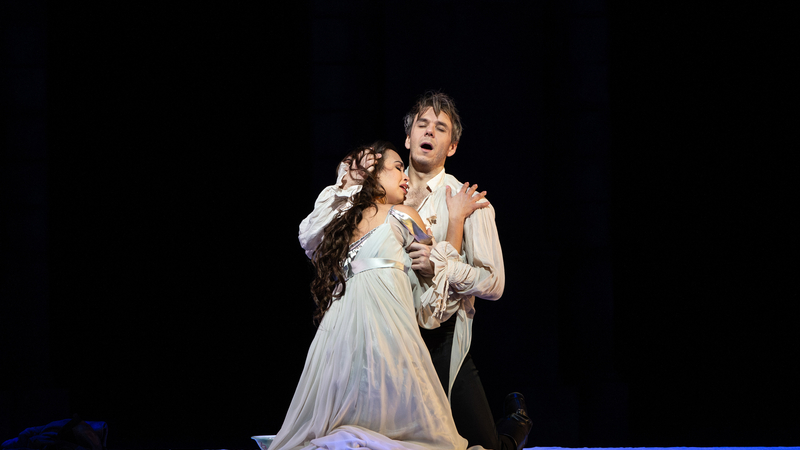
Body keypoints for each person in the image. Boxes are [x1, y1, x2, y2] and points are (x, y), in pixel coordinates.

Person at [273, 141, 488, 450]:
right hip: (366, 317)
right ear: (373, 175)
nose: (405, 175)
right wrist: (456, 221)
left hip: (361, 316)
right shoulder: (393, 215)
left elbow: (437, 267)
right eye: (397, 167)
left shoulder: (383, 219)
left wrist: (454, 218)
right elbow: (445, 262)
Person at [401, 92, 532, 450]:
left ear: (452, 146)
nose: (429, 131)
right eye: (422, 124)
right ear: (408, 136)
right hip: (391, 331)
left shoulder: (469, 202)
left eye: (440, 128)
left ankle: (516, 425)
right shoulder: (385, 194)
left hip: (442, 336)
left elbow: (494, 283)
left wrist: (444, 266)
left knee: (485, 446)